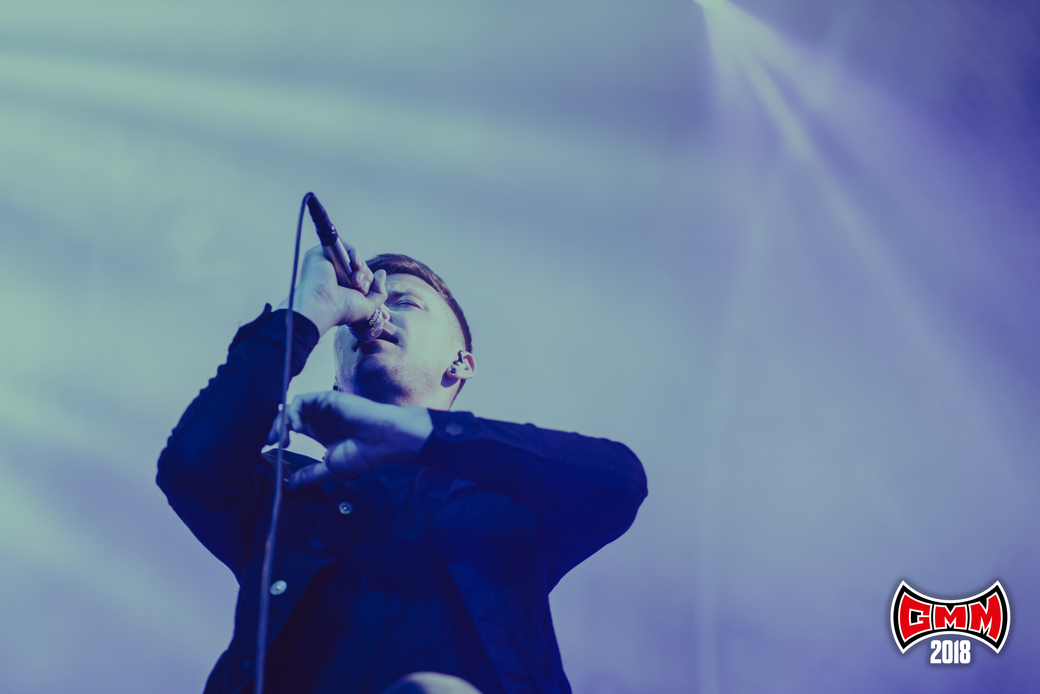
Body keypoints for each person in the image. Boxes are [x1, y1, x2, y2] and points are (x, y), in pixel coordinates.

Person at [157, 243, 648, 694]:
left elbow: (620, 483)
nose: (374, 313)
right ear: (337, 381)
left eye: (405, 302)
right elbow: (191, 468)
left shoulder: (505, 494)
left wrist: (417, 434)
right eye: (357, 311)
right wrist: (306, 311)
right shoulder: (289, 486)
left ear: (460, 363)